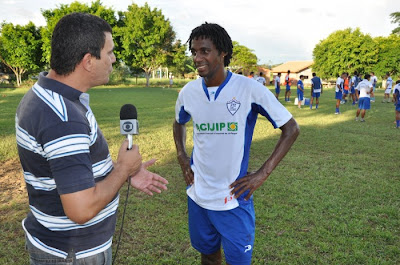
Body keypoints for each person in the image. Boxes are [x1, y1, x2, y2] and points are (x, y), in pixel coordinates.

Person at [15, 13, 168, 265]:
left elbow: (69, 169)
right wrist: (123, 169)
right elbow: (81, 209)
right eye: (109, 52)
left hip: (58, 245)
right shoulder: (63, 119)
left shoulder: (43, 95)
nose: (114, 59)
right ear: (88, 61)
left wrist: (124, 173)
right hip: (74, 253)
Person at [172, 22, 299, 265]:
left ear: (222, 53)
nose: (197, 58)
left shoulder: (249, 89)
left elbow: (291, 128)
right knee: (208, 256)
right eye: (194, 52)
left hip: (233, 197)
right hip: (198, 195)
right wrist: (181, 156)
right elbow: (179, 122)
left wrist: (263, 173)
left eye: (205, 51)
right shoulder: (188, 92)